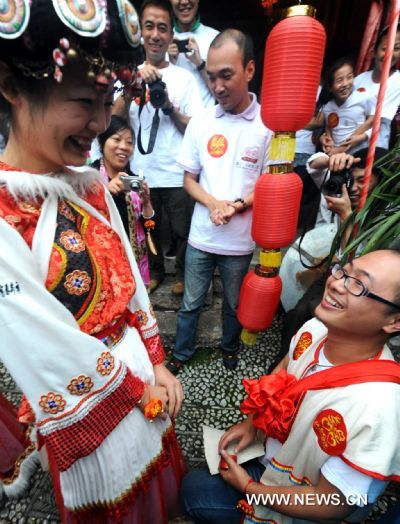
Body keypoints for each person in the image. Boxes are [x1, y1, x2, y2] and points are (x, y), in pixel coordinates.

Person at [0, 1, 185, 522]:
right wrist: (138, 385)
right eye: (84, 101)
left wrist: (157, 360)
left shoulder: (88, 185)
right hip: (91, 394)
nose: (101, 124)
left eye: (107, 102)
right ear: (12, 88)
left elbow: (131, 281)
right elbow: (40, 341)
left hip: (138, 374)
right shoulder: (4, 214)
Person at [181, 249, 400, 524]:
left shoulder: (378, 409)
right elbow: (286, 365)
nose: (335, 283)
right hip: (269, 453)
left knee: (193, 493)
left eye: (358, 285)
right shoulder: (316, 328)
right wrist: (253, 422)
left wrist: (250, 489)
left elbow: (333, 503)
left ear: (394, 321)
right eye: (344, 270)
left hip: (296, 494)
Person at [167, 29, 272, 374]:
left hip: (240, 243)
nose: (218, 86)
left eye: (226, 75)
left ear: (250, 70)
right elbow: (188, 180)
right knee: (190, 303)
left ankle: (229, 349)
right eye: (211, 77)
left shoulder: (267, 126)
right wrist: (214, 203)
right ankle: (181, 353)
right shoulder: (201, 121)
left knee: (233, 304)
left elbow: (271, 185)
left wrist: (237, 205)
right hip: (201, 236)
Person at [114, 0, 202, 297]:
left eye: (162, 28)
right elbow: (114, 121)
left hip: (176, 171)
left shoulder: (185, 78)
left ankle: (180, 273)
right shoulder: (129, 74)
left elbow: (196, 127)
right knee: (147, 225)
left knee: (181, 230)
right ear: (140, 32)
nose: (155, 34)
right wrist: (130, 89)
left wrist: (168, 107)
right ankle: (153, 272)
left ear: (169, 35)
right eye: (149, 26)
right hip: (141, 169)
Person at [276, 148, 388, 365]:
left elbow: (356, 263)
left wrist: (346, 215)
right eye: (351, 180)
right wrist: (332, 160)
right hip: (335, 271)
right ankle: (286, 365)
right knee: (298, 314)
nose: (353, 188)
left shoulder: (385, 217)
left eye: (362, 181)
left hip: (360, 285)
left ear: (381, 183)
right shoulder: (339, 191)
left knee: (327, 324)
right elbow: (312, 165)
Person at [94, 115, 154, 286]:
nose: (124, 147)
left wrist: (147, 202)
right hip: (103, 264)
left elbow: (150, 226)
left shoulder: (134, 181)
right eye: (117, 139)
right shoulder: (89, 179)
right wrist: (105, 191)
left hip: (133, 263)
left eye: (129, 142)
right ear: (101, 142)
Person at [354, 25, 400, 149]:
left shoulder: (397, 81)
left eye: (396, 48)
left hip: (373, 153)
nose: (390, 54)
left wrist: (341, 146)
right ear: (374, 51)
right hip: (346, 152)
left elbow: (374, 120)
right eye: (385, 48)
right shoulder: (359, 79)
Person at [168, 0, 219, 108]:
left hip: (207, 121)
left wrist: (200, 64)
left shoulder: (216, 39)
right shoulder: (161, 42)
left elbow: (223, 92)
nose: (185, 2)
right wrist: (171, 65)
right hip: (171, 121)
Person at [320, 58, 375, 155]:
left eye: (349, 77)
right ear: (330, 87)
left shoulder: (363, 97)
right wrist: (328, 143)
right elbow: (329, 128)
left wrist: (342, 148)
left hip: (359, 155)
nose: (345, 84)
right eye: (339, 80)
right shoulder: (328, 107)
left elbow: (373, 121)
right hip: (337, 158)